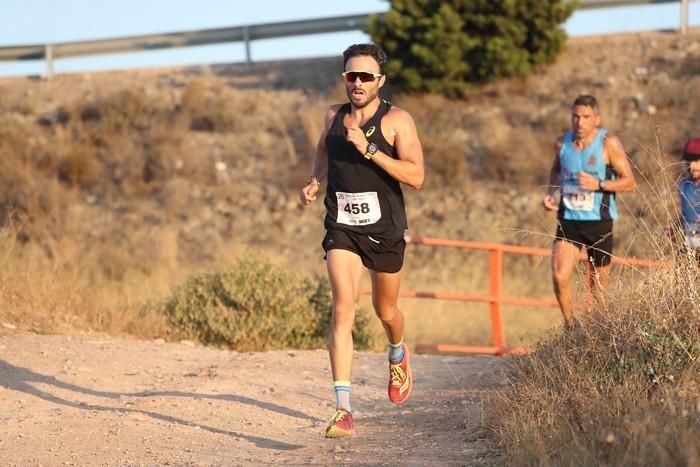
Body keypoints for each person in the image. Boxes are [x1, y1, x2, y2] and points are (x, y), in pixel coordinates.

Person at [299, 43, 424, 438]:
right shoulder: (333, 115)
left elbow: (417, 177)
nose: (357, 83)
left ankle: (398, 351)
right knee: (343, 308)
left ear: (380, 81)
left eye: (365, 76)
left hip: (384, 229)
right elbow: (323, 148)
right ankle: (343, 409)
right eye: (351, 75)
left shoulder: (397, 121)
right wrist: (315, 180)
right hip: (342, 227)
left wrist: (369, 149)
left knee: (385, 311)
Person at [542, 95, 637, 329]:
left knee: (598, 290)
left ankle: (597, 333)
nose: (580, 122)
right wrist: (551, 193)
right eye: (575, 116)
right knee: (560, 275)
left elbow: (630, 182)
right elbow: (555, 171)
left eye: (586, 117)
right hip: (569, 220)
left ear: (597, 119)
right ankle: (571, 327)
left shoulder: (608, 143)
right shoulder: (561, 144)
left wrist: (599, 185)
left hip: (599, 223)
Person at [679, 138, 700, 254]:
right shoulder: (684, 185)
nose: (691, 166)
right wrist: (673, 226)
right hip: (690, 246)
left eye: (696, 160)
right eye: (688, 161)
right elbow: (685, 214)